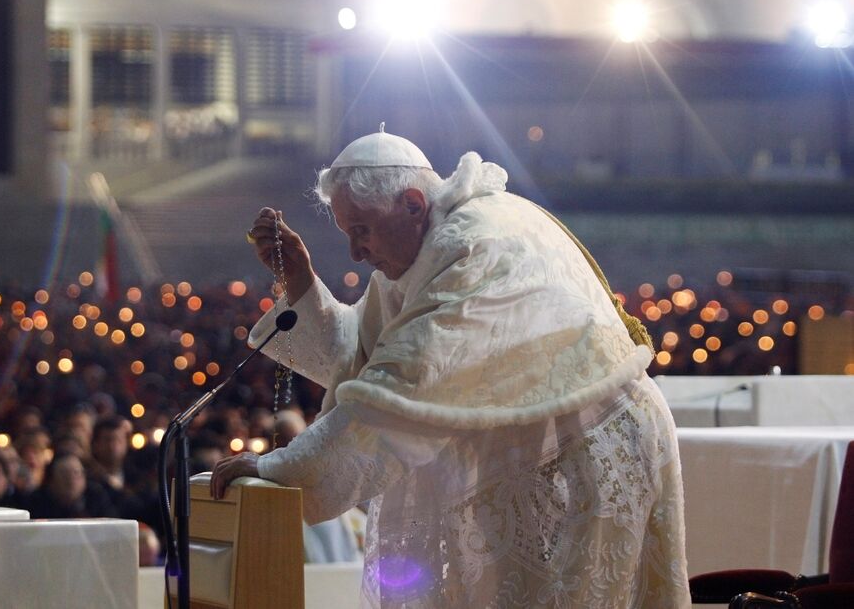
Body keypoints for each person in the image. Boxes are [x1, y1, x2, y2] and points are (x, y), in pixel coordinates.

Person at [211, 127, 689, 607]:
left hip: (586, 449)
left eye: (362, 230)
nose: (356, 252)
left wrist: (284, 468)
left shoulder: (473, 243)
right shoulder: (426, 250)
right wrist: (301, 283)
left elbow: (399, 385)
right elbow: (362, 355)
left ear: (413, 204)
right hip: (539, 449)